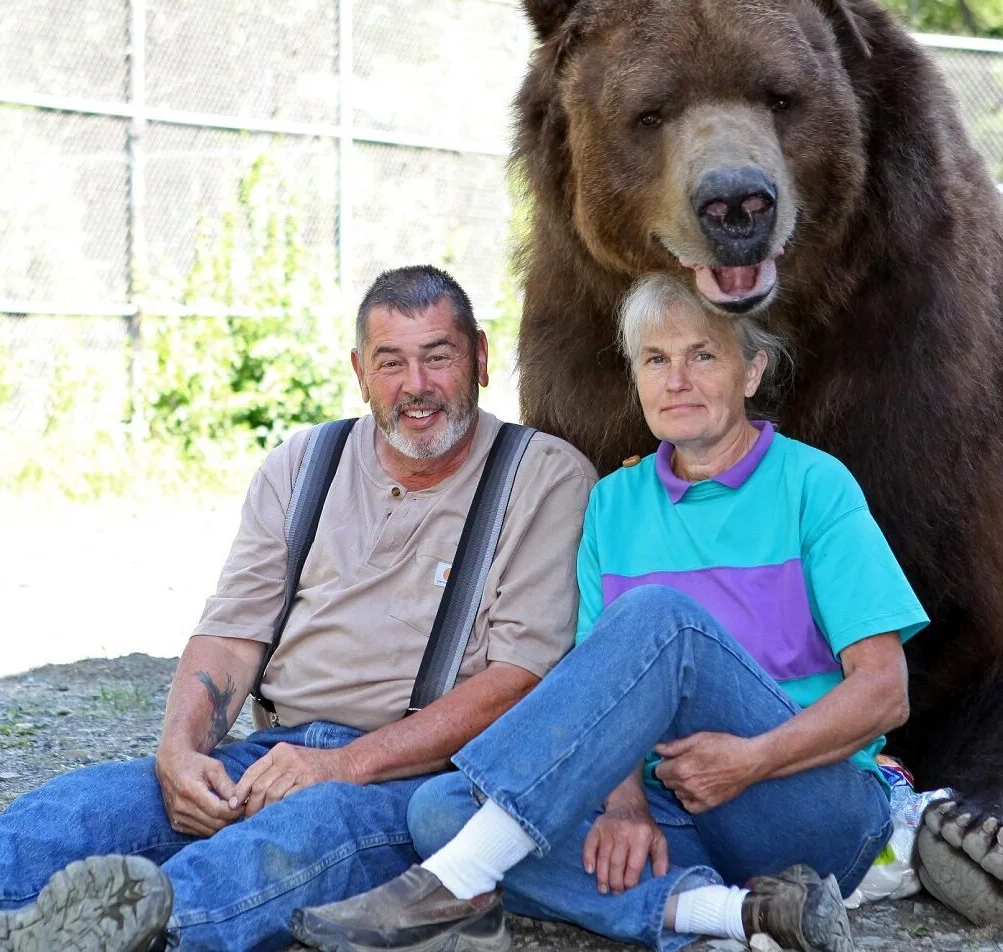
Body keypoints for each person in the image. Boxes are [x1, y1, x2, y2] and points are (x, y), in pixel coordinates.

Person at [0, 265, 596, 952]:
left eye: (438, 357)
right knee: (92, 805)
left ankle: (121, 941)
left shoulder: (540, 474)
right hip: (270, 750)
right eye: (392, 361)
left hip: (411, 779)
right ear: (359, 370)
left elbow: (518, 683)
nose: (417, 386)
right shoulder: (303, 465)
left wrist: (343, 765)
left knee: (289, 842)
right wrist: (181, 749)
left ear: (478, 358)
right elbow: (228, 637)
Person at [293, 272, 930, 952]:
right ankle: (733, 914)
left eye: (703, 356)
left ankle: (451, 886)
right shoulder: (615, 503)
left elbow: (884, 692)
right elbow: (601, 684)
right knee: (441, 809)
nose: (676, 380)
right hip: (673, 804)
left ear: (752, 370)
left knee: (661, 618)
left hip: (805, 805)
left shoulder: (815, 484)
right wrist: (623, 804)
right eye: (656, 360)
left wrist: (751, 760)